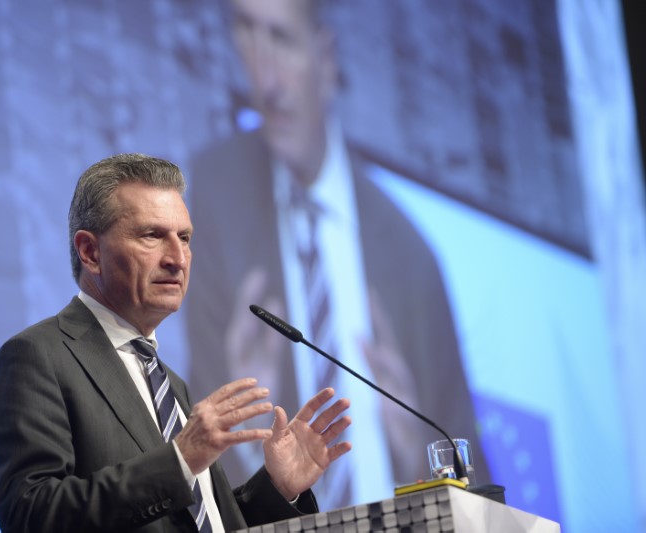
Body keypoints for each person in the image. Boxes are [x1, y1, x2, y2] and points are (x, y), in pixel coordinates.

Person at [185, 0, 486, 508]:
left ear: (327, 59)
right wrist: (244, 436)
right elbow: (195, 476)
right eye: (247, 35)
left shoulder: (411, 255)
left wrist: (417, 454)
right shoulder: (216, 202)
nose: (267, 80)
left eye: (281, 40)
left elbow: (473, 477)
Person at [0, 153, 353, 532]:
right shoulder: (37, 357)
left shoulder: (170, 383)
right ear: (91, 252)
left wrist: (278, 488)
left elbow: (196, 520)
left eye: (185, 238)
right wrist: (179, 460)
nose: (178, 258)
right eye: (152, 235)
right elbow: (30, 516)